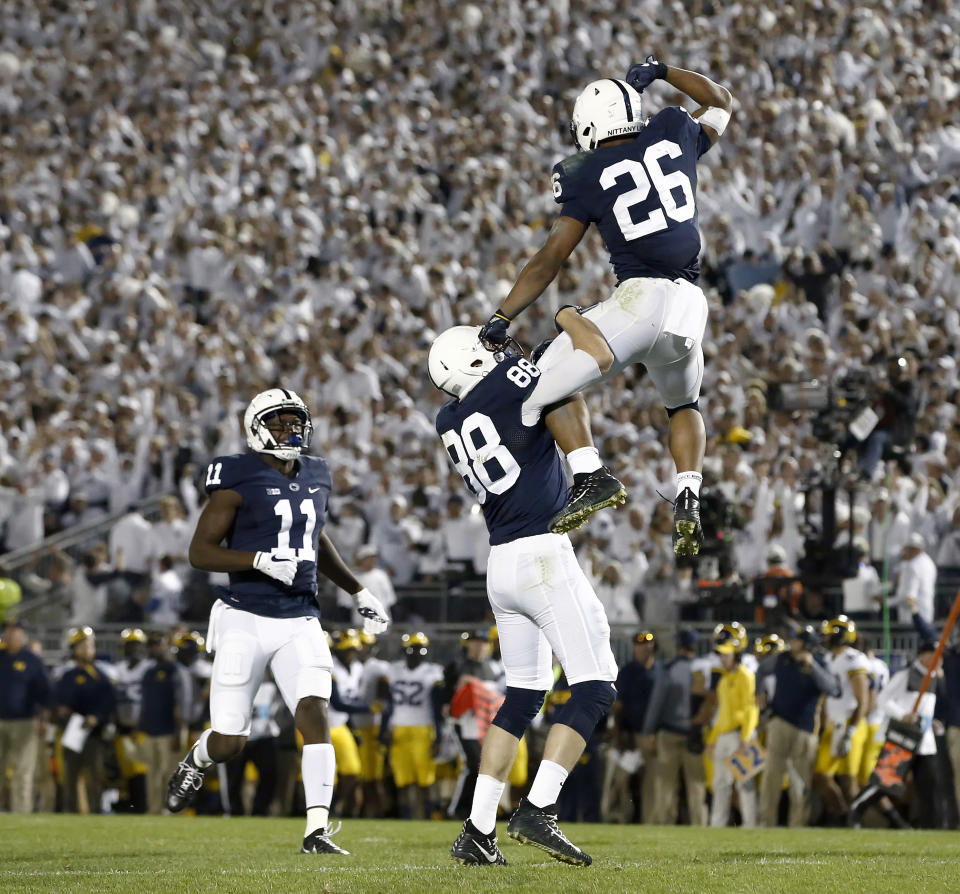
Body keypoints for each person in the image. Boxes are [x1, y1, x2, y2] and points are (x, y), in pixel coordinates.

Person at [478, 58, 733, 556]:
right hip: (690, 310)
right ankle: (688, 494)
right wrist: (662, 70)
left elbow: (551, 257)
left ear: (588, 126)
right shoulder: (673, 131)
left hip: (640, 299)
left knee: (543, 375)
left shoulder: (584, 171)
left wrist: (503, 315)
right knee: (683, 405)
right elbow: (721, 100)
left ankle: (591, 474)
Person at [164, 389, 389, 855]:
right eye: (280, 422)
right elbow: (199, 552)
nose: (290, 430)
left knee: (315, 711)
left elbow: (315, 538)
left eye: (295, 422)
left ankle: (316, 830)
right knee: (230, 741)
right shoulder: (237, 475)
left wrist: (358, 590)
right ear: (256, 427)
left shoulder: (318, 473)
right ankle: (197, 758)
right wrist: (259, 559)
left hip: (301, 616)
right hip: (244, 615)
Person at [428, 322, 619, 866]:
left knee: (524, 696)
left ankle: (477, 828)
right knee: (596, 687)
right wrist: (567, 321)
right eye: (486, 349)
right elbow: (592, 359)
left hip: (501, 563)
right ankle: (539, 808)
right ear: (470, 360)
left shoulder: (448, 417)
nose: (498, 352)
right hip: (541, 556)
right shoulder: (510, 383)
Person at [756, 625, 840, 827]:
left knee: (800, 782)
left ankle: (798, 825)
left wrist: (813, 668)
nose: (792, 643)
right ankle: (766, 823)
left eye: (796, 640)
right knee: (771, 778)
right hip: (779, 723)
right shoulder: (782, 658)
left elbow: (834, 689)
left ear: (805, 643)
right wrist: (758, 694)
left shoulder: (818, 662)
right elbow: (761, 669)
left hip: (805, 728)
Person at [641, 628, 707, 826]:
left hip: (668, 734)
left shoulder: (668, 669)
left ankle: (663, 826)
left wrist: (648, 732)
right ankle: (700, 826)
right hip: (695, 735)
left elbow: (656, 703)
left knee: (666, 787)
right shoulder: (703, 670)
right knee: (696, 786)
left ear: (678, 645)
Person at [380, 631, 446, 820]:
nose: (415, 654)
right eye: (412, 650)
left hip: (422, 729)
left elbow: (436, 708)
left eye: (418, 650)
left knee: (425, 780)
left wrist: (438, 736)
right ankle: (405, 818)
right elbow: (387, 705)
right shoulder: (393, 670)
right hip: (398, 728)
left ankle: (426, 816)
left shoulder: (433, 672)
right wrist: (385, 729)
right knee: (403, 781)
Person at [812, 615, 870, 824]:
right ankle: (844, 814)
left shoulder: (853, 659)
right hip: (833, 724)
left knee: (849, 779)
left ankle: (855, 823)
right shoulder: (829, 659)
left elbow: (862, 700)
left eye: (829, 635)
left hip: (849, 724)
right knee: (820, 775)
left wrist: (851, 731)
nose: (825, 639)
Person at [54, 626, 116, 814]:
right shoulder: (67, 676)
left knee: (95, 774)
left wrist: (96, 717)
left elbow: (109, 703)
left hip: (93, 733)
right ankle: (70, 811)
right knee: (70, 775)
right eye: (82, 646)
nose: (86, 650)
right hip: (71, 731)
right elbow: (57, 700)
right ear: (73, 650)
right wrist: (61, 710)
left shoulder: (102, 676)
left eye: (89, 646)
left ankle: (96, 810)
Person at [706, 623, 759, 827]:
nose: (722, 658)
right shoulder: (723, 680)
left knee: (745, 785)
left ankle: (750, 826)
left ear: (736, 653)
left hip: (740, 736)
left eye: (726, 654)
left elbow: (751, 709)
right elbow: (722, 716)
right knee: (720, 784)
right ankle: (717, 826)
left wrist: (746, 737)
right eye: (721, 654)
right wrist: (712, 740)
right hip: (724, 736)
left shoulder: (746, 676)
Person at [0, 620, 50, 813]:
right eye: (8, 632)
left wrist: (44, 717)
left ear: (22, 636)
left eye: (15, 633)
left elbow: (44, 691)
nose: (11, 636)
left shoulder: (32, 660)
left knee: (23, 770)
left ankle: (21, 812)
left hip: (24, 722)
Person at [614, 631, 661, 824]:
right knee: (621, 780)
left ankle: (649, 821)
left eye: (648, 644)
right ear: (634, 647)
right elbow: (618, 707)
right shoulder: (627, 672)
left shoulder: (660, 671)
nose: (644, 648)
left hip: (653, 735)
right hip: (630, 734)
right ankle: (621, 818)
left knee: (651, 781)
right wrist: (619, 736)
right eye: (640, 644)